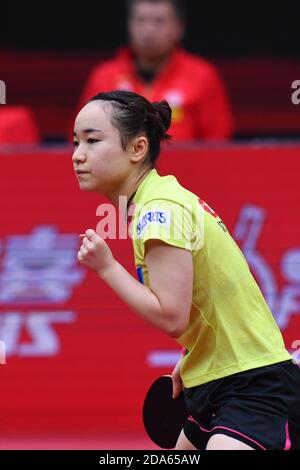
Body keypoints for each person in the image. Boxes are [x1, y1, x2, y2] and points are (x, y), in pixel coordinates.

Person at [72, 90, 300, 450]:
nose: (77, 155)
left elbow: (172, 316)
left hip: (252, 381)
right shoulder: (160, 199)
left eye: (92, 140)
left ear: (137, 148)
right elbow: (215, 290)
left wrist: (107, 268)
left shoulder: (159, 209)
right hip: (214, 375)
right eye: (75, 142)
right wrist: (198, 350)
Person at [78, 0, 233, 142]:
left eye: (159, 21)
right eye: (141, 20)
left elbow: (218, 140)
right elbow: (81, 136)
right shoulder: (103, 76)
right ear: (129, 25)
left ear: (179, 28)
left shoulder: (202, 75)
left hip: (185, 171)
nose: (149, 29)